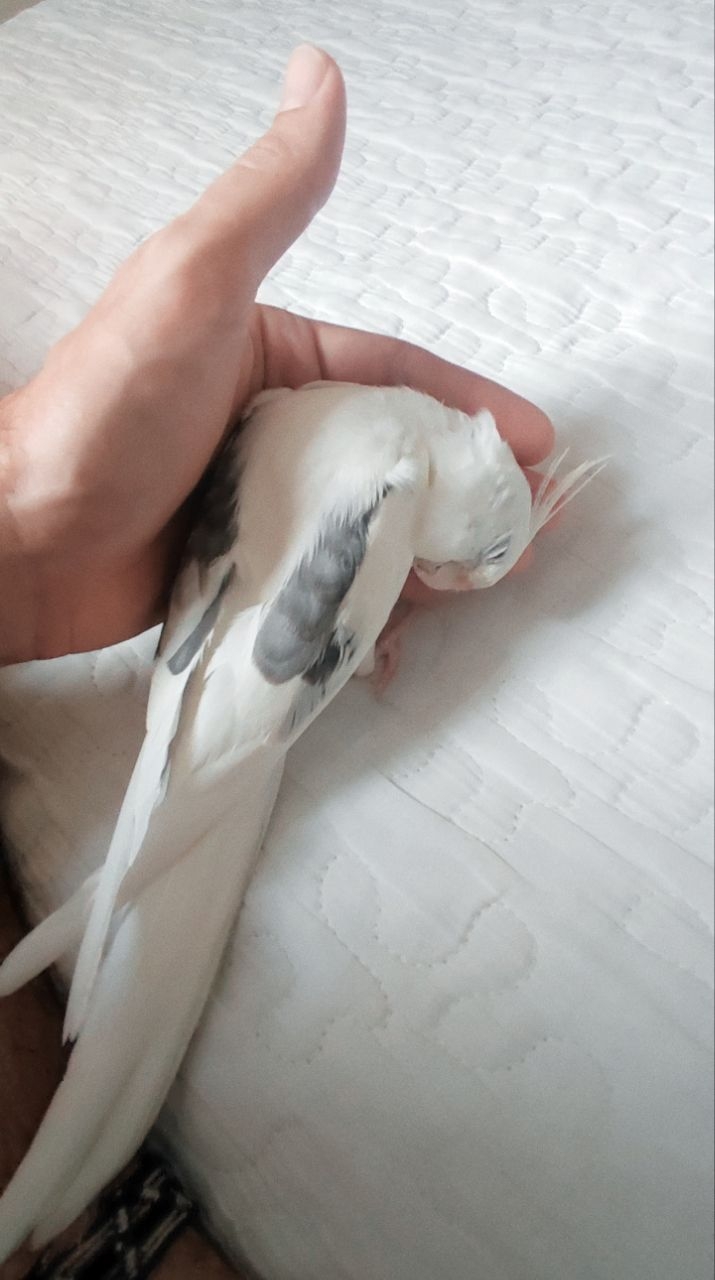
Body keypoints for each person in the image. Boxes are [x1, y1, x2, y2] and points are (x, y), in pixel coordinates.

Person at [0, 46, 553, 1279]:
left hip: (194, 658)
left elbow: (271, 566)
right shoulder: (389, 477)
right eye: (471, 562)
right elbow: (310, 602)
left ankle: (65, 1174)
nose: (461, 581)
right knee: (157, 935)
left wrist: (28, 518)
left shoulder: (304, 411)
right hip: (220, 725)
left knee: (139, 961)